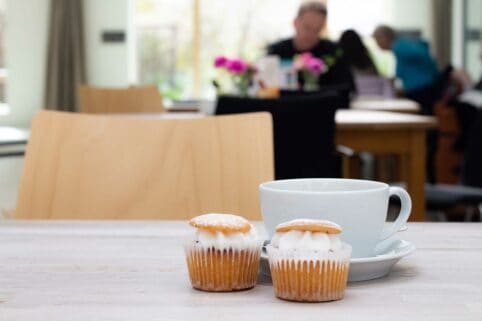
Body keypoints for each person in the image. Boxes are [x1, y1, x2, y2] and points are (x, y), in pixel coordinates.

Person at [267, 1, 354, 92]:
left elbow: (346, 88)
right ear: (295, 22)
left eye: (317, 29)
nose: (311, 34)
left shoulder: (333, 52)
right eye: (307, 27)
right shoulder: (276, 51)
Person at [373, 25, 443, 115]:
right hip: (422, 87)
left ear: (384, 37)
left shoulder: (399, 46)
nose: (377, 44)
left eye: (377, 40)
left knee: (424, 117)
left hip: (421, 89)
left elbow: (422, 55)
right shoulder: (400, 45)